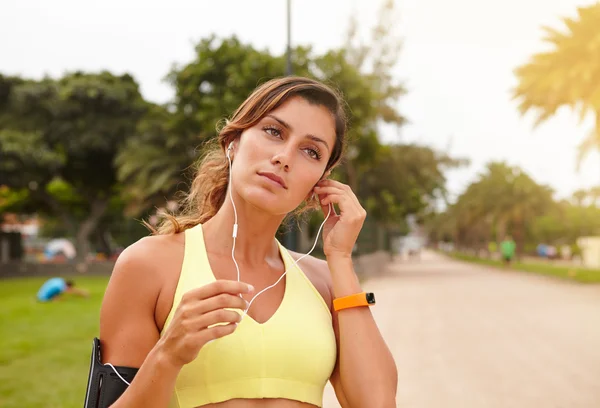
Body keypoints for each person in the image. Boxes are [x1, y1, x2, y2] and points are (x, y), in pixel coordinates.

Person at [97, 77, 397, 408]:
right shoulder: (148, 265)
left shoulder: (325, 282)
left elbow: (377, 403)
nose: (284, 157)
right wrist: (167, 356)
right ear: (233, 142)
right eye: (273, 132)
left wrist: (340, 258)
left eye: (310, 151)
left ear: (320, 182)